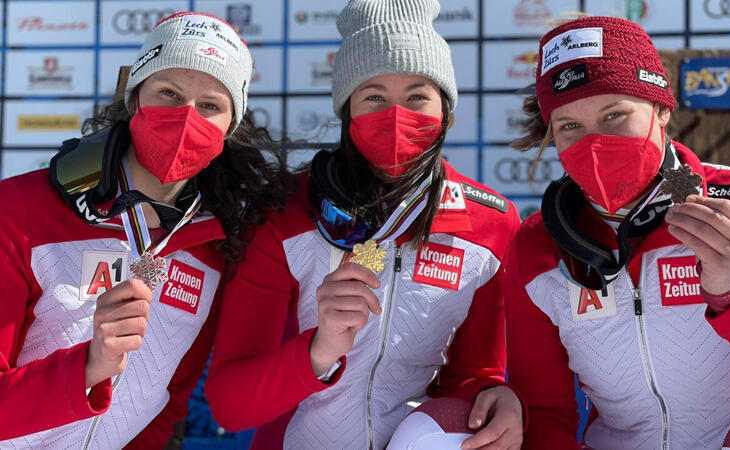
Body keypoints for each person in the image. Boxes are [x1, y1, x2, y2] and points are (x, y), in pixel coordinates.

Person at [205, 1, 525, 449]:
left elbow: (472, 378)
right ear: (347, 112)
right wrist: (319, 350)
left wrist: (497, 397)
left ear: (446, 112)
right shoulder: (284, 213)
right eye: (373, 96)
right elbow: (230, 405)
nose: (396, 115)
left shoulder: (490, 224)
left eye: (417, 97)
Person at [504, 16, 730, 449]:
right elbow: (547, 411)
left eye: (614, 115)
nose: (594, 142)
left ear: (661, 109)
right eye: (570, 126)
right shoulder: (539, 245)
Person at [0, 12, 290, 449]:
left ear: (229, 129)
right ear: (135, 99)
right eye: (168, 93)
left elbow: (168, 403)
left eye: (210, 105)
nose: (186, 117)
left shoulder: (217, 245)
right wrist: (89, 367)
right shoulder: (20, 209)